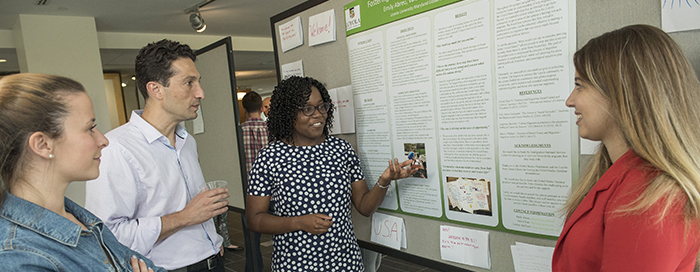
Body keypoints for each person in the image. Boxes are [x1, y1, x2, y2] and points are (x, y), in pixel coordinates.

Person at [552, 24, 700, 271]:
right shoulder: (620, 176)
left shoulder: (650, 198)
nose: (570, 101)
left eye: (580, 86)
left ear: (620, 90)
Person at [85, 39, 230, 272]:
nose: (200, 93)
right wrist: (185, 217)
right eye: (188, 83)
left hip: (213, 262)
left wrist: (211, 241)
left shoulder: (188, 142)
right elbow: (108, 237)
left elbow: (194, 208)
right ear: (155, 89)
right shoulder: (117, 149)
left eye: (198, 82)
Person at [245, 76, 416, 271]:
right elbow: (254, 219)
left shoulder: (341, 149)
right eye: (307, 109)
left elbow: (364, 207)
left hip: (346, 264)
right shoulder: (270, 157)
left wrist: (384, 181)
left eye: (322, 106)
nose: (318, 115)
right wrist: (298, 222)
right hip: (295, 265)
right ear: (288, 113)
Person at [0, 73, 164, 272]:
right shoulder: (17, 256)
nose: (103, 140)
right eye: (90, 128)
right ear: (42, 144)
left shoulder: (83, 221)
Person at [240, 91, 269, 272]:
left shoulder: (238, 132)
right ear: (261, 108)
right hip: (275, 193)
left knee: (252, 240)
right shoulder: (272, 130)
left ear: (244, 110)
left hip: (249, 194)